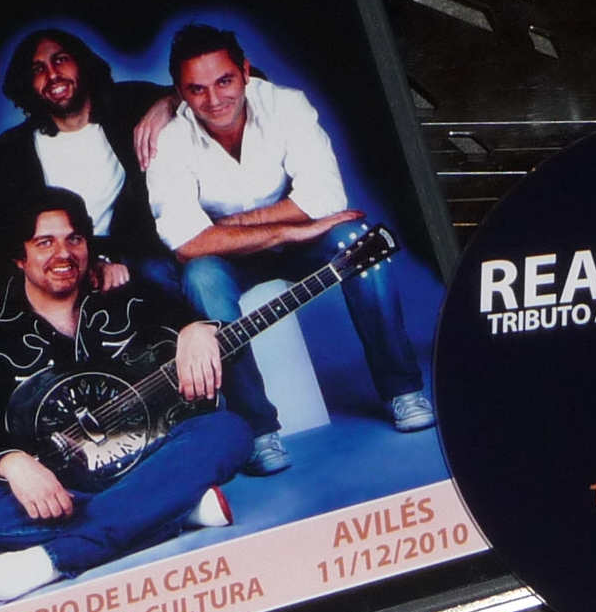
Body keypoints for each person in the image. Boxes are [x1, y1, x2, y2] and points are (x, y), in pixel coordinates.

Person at [144, 24, 434, 476]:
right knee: (200, 278)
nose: (214, 99)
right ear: (179, 93)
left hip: (296, 244)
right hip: (231, 260)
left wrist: (231, 227)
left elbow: (325, 197)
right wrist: (287, 231)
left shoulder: (287, 105)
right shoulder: (170, 140)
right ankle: (259, 429)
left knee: (356, 242)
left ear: (245, 71)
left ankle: (402, 389)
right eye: (196, 89)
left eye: (224, 81)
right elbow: (186, 242)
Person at [0, 187, 252, 604]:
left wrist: (197, 329)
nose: (63, 253)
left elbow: (197, 329)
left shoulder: (128, 299)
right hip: (66, 489)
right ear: (19, 258)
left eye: (74, 239)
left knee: (228, 430)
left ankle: (56, 558)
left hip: (150, 458)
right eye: (44, 242)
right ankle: (175, 507)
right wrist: (13, 463)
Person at [0, 29, 176, 293]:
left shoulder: (128, 104)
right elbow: (17, 231)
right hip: (65, 261)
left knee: (156, 276)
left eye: (60, 60)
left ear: (82, 63)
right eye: (38, 69)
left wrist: (167, 104)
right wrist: (93, 262)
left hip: (140, 249)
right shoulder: (12, 151)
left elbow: (194, 89)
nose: (52, 75)